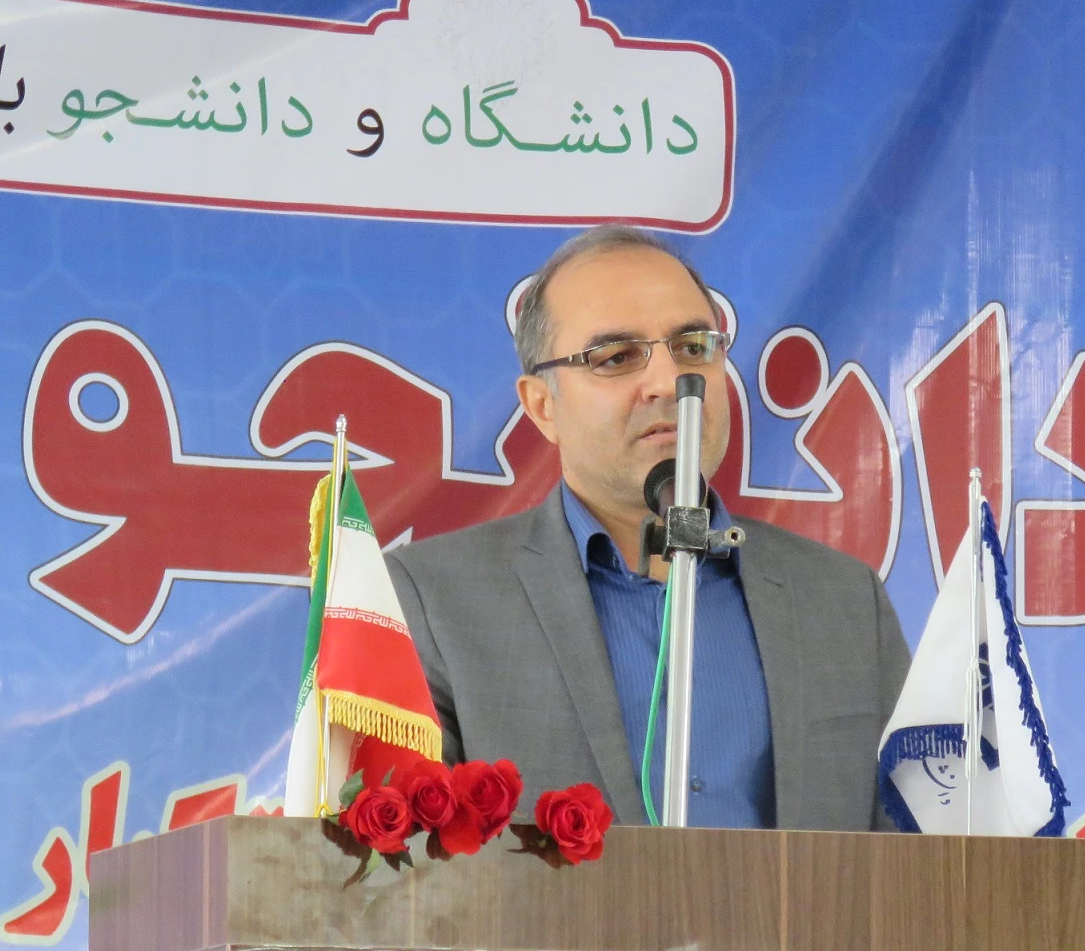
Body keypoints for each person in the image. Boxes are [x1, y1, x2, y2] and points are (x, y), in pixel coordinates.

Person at [385, 225, 910, 831]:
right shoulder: (432, 601)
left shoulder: (845, 601)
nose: (668, 383)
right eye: (616, 358)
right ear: (542, 406)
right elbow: (402, 871)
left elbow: (915, 850)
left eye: (693, 348)